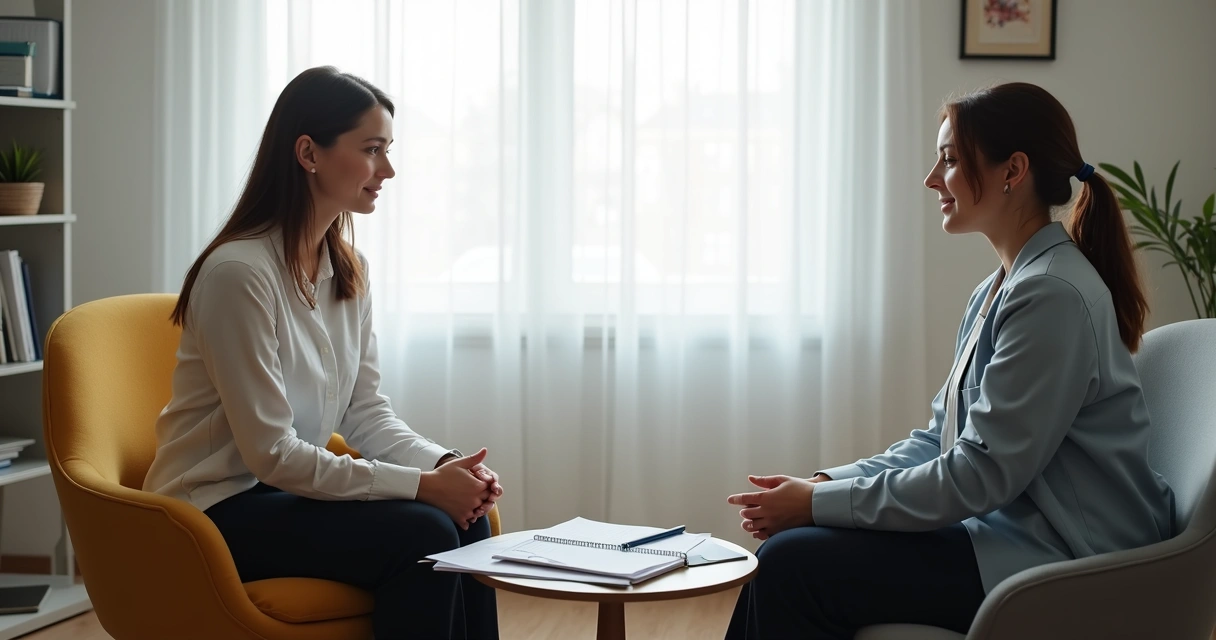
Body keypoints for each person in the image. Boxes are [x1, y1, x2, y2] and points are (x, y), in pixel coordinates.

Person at [724, 82, 1175, 639]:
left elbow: (978, 476)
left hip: (1067, 563)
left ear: (1013, 170)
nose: (931, 179)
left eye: (950, 160)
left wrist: (818, 504)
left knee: (793, 566)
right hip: (1006, 536)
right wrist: (822, 483)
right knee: (787, 557)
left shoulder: (1052, 295)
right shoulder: (1002, 289)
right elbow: (939, 441)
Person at [142, 66, 502, 640]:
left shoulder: (346, 272)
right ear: (309, 153)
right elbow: (271, 454)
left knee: (468, 524)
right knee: (425, 532)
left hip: (281, 494)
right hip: (213, 512)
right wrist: (421, 487)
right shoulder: (239, 274)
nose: (387, 170)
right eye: (372, 150)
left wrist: (443, 467)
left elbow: (365, 412)